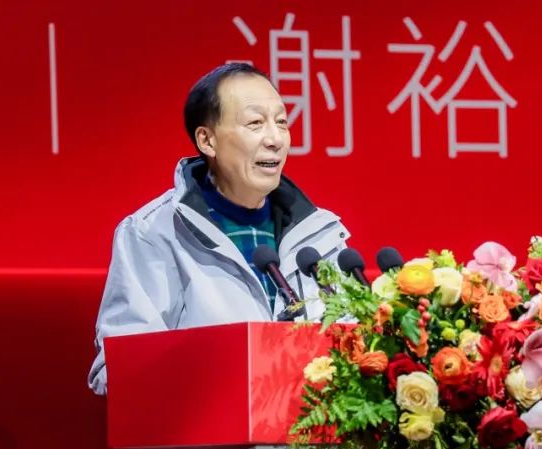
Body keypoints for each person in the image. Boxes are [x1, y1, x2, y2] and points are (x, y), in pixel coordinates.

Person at [87, 63, 350, 395]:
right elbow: (119, 370)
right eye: (255, 123)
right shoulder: (154, 233)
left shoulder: (321, 234)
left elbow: (356, 348)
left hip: (313, 426)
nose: (275, 139)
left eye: (282, 122)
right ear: (207, 140)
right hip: (207, 426)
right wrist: (217, 376)